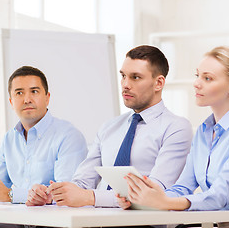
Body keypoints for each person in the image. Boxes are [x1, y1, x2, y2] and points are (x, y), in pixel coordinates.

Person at [118, 46, 229, 227]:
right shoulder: (203, 131)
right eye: (197, 75)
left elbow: (221, 195)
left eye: (207, 78)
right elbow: (183, 187)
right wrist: (143, 199)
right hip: (219, 223)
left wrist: (165, 203)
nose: (197, 83)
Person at [27, 45, 192, 208]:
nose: (125, 84)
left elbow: (153, 193)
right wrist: (53, 194)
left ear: (158, 83)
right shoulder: (110, 127)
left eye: (135, 77)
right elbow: (83, 182)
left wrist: (90, 197)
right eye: (123, 76)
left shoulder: (176, 128)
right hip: (100, 222)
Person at [0, 66, 87, 205]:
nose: (27, 99)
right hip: (19, 219)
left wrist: (10, 195)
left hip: (54, 222)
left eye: (34, 91)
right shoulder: (9, 139)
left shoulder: (69, 136)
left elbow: (65, 195)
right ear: (11, 102)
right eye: (19, 93)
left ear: (47, 98)